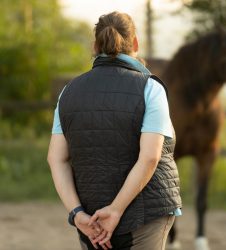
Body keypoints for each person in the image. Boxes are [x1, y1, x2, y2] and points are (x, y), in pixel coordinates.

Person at [47, 11, 182, 250]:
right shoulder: (150, 88)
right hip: (146, 215)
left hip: (90, 219)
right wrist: (116, 210)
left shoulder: (68, 91)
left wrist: (77, 213)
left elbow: (56, 159)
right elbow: (150, 156)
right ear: (136, 44)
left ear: (95, 46)